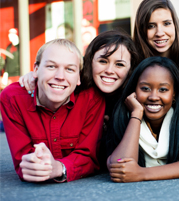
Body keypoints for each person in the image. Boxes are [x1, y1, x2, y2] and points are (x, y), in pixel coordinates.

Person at [19, 30, 142, 169]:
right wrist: (35, 76)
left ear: (131, 69)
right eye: (103, 61)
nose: (109, 70)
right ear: (89, 61)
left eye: (119, 64)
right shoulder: (73, 90)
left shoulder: (133, 101)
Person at [0, 39, 106, 182]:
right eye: (51, 66)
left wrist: (58, 168)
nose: (60, 77)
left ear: (79, 77)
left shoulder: (91, 100)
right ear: (36, 70)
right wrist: (38, 165)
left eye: (70, 69)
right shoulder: (12, 99)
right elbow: (24, 162)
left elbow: (88, 156)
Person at [106, 56, 179, 182]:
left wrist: (142, 173)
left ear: (174, 94)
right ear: (134, 90)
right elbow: (119, 168)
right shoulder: (122, 117)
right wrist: (136, 114)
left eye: (163, 89)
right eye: (145, 88)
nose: (153, 96)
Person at [133, 0, 179, 65]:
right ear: (141, 30)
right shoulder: (132, 63)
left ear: (175, 25)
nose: (159, 33)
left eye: (166, 23)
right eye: (151, 26)